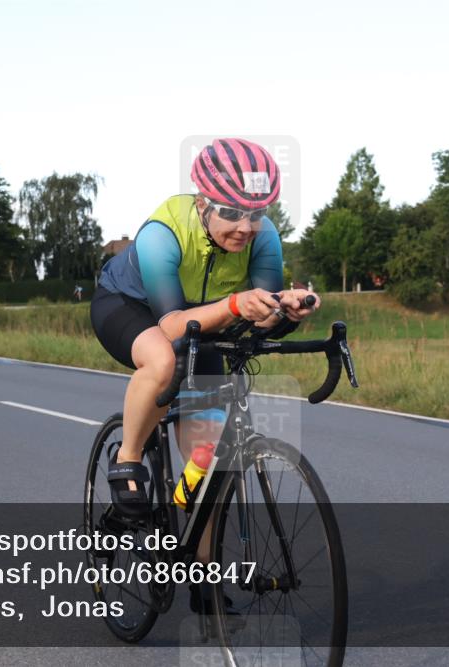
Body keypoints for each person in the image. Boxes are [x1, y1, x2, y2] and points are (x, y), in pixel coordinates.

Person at [90, 138, 320, 518]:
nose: (246, 227)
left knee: (214, 467)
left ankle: (200, 562)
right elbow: (174, 327)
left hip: (206, 317)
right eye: (231, 212)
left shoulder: (265, 237)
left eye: (256, 212)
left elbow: (260, 314)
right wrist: (235, 305)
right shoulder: (162, 233)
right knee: (163, 361)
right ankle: (128, 457)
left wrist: (283, 309)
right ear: (202, 204)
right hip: (134, 307)